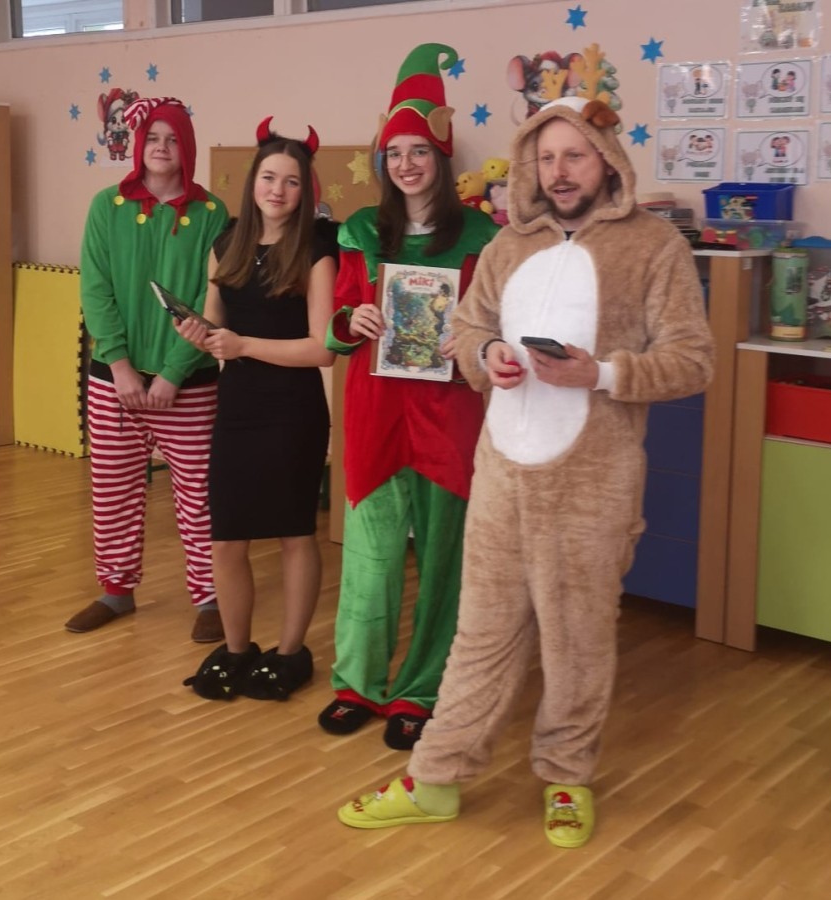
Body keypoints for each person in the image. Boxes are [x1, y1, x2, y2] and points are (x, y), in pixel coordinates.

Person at [336, 96, 715, 847]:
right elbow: (469, 324)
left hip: (593, 483)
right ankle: (435, 778)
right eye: (546, 158)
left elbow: (693, 360)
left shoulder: (654, 246)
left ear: (606, 159)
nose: (559, 171)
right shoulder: (509, 244)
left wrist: (600, 373)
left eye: (574, 156)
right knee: (479, 634)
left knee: (577, 641)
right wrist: (487, 356)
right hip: (502, 473)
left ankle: (567, 777)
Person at [318, 43, 499, 749]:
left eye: (418, 150)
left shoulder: (482, 237)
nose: (405, 164)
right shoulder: (362, 231)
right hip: (377, 413)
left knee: (445, 560)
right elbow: (335, 327)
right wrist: (352, 320)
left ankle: (421, 690)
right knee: (370, 556)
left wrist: (473, 341)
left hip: (448, 415)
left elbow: (497, 329)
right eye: (393, 152)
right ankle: (357, 683)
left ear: (441, 157)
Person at [178, 118, 337, 701]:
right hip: (238, 408)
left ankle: (290, 653)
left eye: (291, 181)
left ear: (305, 191)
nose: (278, 190)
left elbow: (323, 348)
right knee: (227, 537)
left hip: (293, 411)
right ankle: (237, 649)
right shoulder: (227, 244)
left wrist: (243, 345)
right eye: (269, 177)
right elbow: (216, 325)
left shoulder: (317, 250)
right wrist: (200, 334)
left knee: (295, 534)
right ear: (252, 182)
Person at [65, 97, 230, 643]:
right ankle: (116, 591)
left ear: (187, 147)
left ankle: (210, 597)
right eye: (153, 137)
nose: (162, 147)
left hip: (190, 382)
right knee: (113, 489)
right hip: (116, 379)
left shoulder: (212, 214)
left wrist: (174, 373)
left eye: (173, 138)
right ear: (139, 144)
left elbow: (210, 298)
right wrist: (120, 366)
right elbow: (96, 288)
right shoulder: (106, 206)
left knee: (198, 495)